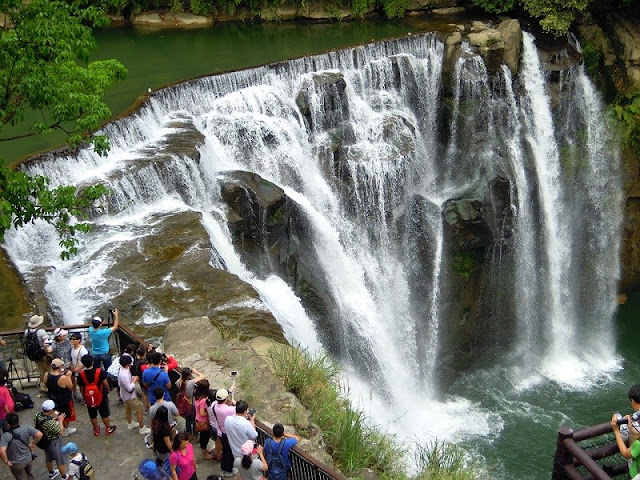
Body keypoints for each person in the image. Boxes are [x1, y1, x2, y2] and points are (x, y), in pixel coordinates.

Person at [77, 354, 116, 436]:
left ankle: (96, 429)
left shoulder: (81, 374)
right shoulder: (99, 371)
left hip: (89, 397)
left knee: (92, 415)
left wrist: (84, 395)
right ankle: (108, 428)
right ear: (92, 362)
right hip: (101, 395)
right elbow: (105, 382)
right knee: (104, 413)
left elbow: (81, 387)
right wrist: (108, 389)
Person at [0, 412, 43, 480]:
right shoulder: (26, 428)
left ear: (8, 424)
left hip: (16, 463)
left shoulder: (6, 436)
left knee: (20, 477)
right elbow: (39, 434)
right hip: (28, 459)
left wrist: (6, 462)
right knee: (29, 474)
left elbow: (2, 451)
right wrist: (33, 444)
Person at [34, 399, 68, 479]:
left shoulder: (38, 416)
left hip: (45, 441)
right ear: (51, 410)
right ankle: (64, 476)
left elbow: (45, 424)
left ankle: (51, 472)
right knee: (59, 460)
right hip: (54, 442)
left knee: (48, 457)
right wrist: (60, 420)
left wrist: (52, 418)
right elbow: (61, 432)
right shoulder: (49, 423)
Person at [612, 384, 640, 479]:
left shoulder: (638, 444)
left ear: (632, 401)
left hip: (635, 474)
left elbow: (625, 452)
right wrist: (633, 432)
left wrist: (616, 430)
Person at [118, 354, 151, 434]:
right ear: (127, 364)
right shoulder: (124, 375)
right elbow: (129, 388)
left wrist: (132, 379)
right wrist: (134, 381)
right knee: (139, 410)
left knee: (128, 409)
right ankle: (142, 428)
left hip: (124, 395)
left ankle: (130, 423)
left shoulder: (122, 370)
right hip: (130, 396)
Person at [43, 358, 76, 437]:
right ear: (61, 366)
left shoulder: (47, 375)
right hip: (64, 400)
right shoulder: (63, 378)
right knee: (65, 415)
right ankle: (65, 430)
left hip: (53, 398)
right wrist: (68, 376)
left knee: (55, 412)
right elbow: (70, 387)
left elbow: (45, 383)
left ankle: (56, 425)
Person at [24, 314, 52, 392]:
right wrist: (49, 353)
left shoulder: (27, 331)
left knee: (41, 370)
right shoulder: (41, 332)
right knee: (48, 370)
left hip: (34, 355)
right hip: (43, 354)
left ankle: (42, 384)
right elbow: (46, 344)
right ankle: (46, 386)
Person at [213, 388, 237, 477]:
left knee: (225, 451)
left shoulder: (214, 405)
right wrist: (234, 403)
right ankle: (229, 470)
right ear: (226, 399)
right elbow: (239, 409)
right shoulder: (229, 410)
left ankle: (223, 469)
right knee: (229, 452)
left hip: (220, 432)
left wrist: (229, 391)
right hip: (228, 434)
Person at [177, 367, 204, 437]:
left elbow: (181, 379)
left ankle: (188, 432)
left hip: (184, 403)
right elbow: (202, 376)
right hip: (191, 403)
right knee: (194, 419)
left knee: (187, 418)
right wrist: (196, 371)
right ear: (189, 375)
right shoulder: (190, 383)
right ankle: (195, 434)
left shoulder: (178, 382)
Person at [194, 380, 213, 461]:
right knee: (204, 438)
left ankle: (204, 450)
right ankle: (204, 454)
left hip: (198, 419)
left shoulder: (197, 395)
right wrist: (209, 413)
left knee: (203, 437)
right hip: (203, 421)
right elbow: (202, 413)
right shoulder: (203, 400)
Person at [69, 333, 88, 404]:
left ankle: (84, 398)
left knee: (83, 386)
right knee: (80, 385)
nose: (72, 340)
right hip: (75, 370)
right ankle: (81, 396)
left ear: (79, 340)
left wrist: (78, 368)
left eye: (74, 339)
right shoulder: (72, 348)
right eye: (71, 339)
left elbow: (86, 362)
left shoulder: (83, 350)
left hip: (82, 371)